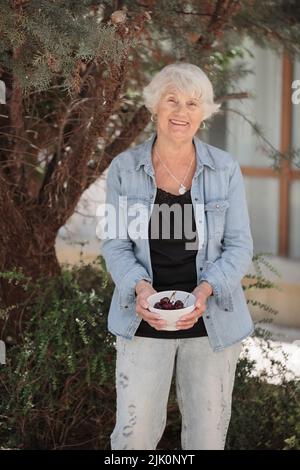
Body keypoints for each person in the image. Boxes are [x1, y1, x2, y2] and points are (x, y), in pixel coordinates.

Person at [101, 62, 254, 450]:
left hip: (212, 322)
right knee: (133, 437)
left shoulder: (225, 170)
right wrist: (139, 286)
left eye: (192, 103)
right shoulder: (124, 169)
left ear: (203, 113)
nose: (181, 112)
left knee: (206, 438)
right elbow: (115, 243)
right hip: (144, 318)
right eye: (172, 100)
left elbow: (240, 246)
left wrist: (206, 290)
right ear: (155, 106)